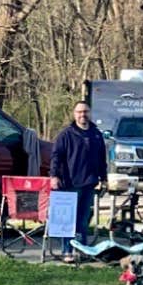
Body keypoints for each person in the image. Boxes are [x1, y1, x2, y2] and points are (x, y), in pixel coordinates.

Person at [50, 100, 107, 261]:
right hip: (70, 184)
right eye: (79, 112)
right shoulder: (66, 134)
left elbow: (102, 158)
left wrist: (104, 178)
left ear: (90, 113)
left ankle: (81, 250)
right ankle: (67, 251)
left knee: (83, 220)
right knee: (68, 220)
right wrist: (54, 176)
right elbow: (56, 157)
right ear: (74, 114)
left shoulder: (96, 134)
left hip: (89, 183)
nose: (83, 115)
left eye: (85, 111)